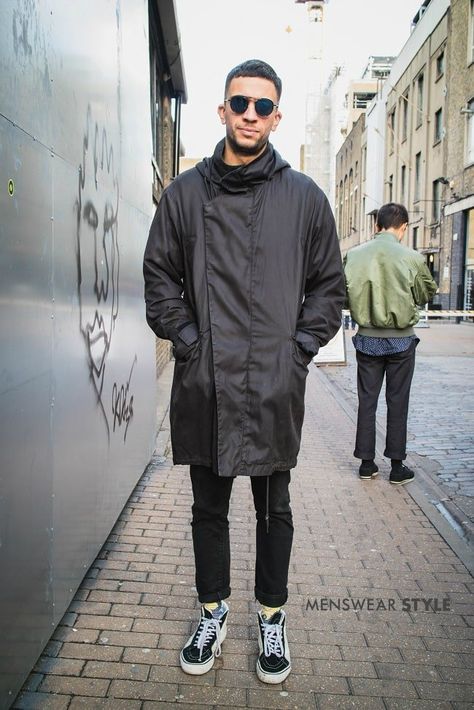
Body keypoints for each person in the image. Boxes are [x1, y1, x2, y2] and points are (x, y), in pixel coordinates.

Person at [143, 59, 345, 684]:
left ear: (276, 115)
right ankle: (213, 611)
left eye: (263, 106)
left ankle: (272, 616)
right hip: (206, 384)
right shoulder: (184, 195)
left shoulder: (305, 198)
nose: (250, 115)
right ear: (222, 110)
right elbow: (159, 279)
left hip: (272, 388)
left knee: (273, 510)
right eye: (240, 103)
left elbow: (327, 289)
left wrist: (297, 353)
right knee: (208, 509)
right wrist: (189, 342)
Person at [344, 203, 437, 485]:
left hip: (367, 339)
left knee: (367, 402)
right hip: (401, 341)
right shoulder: (412, 258)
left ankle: (366, 463)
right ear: (404, 227)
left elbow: (345, 296)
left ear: (376, 226)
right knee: (398, 402)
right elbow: (424, 293)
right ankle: (397, 466)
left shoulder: (354, 255)